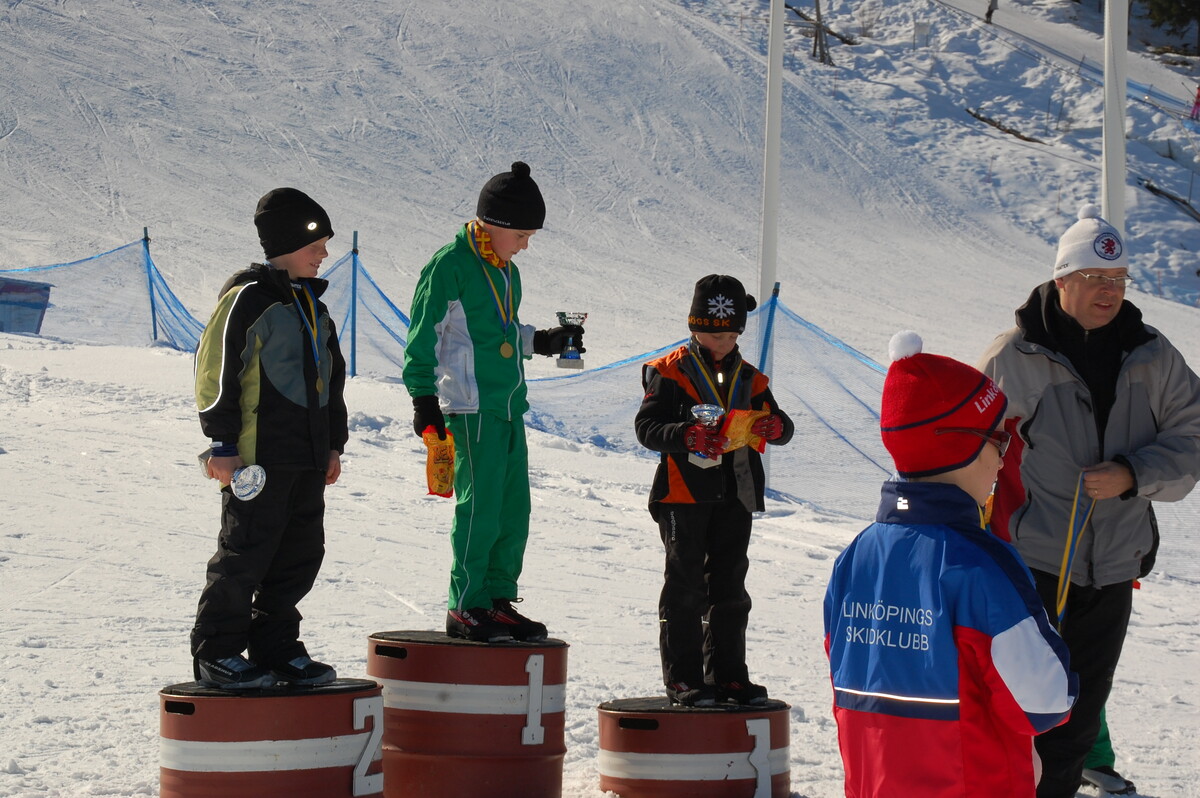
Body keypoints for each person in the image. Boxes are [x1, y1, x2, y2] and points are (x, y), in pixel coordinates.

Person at [978, 204, 1200, 798]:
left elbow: (1193, 435)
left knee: (1080, 714)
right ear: (1062, 281)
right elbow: (969, 448)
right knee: (1021, 709)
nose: (1110, 291)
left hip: (1115, 564)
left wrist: (1134, 473)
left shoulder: (1153, 354)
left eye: (1119, 279)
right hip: (1030, 563)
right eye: (1095, 278)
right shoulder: (1014, 355)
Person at [825, 331, 1077, 797]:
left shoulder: (855, 557)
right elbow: (1043, 701)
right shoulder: (979, 565)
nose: (1005, 458)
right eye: (999, 439)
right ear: (958, 446)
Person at [402, 161, 584, 643]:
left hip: (507, 407)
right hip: (470, 408)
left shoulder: (507, 272)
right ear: (495, 225)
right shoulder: (450, 266)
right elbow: (423, 337)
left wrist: (541, 340)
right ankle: (466, 604)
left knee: (511, 511)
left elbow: (500, 332)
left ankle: (497, 599)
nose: (525, 245)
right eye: (521, 235)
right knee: (479, 510)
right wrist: (423, 399)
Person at [191, 188, 348, 689]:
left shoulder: (313, 306)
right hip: (256, 461)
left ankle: (276, 646)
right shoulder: (247, 299)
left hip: (306, 458)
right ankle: (217, 651)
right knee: (245, 554)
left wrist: (333, 444)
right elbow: (215, 372)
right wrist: (222, 444)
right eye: (315, 245)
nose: (324, 253)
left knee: (299, 555)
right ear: (285, 244)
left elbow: (333, 382)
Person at [634, 275, 794, 707]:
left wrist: (775, 427)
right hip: (682, 495)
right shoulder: (670, 371)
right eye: (713, 334)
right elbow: (646, 428)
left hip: (734, 494)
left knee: (730, 590)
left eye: (730, 335)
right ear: (694, 327)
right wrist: (686, 435)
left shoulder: (751, 378)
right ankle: (683, 680)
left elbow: (781, 424)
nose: (722, 343)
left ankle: (729, 677)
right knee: (685, 587)